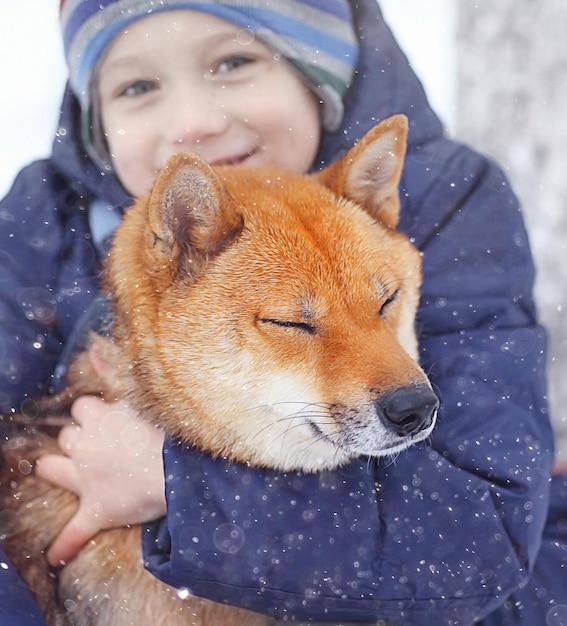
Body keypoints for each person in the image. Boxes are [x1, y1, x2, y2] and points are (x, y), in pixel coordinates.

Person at [0, 1, 564, 624]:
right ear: (96, 119)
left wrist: (177, 485)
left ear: (316, 71)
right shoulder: (42, 225)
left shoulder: (443, 199)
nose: (194, 122)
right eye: (138, 85)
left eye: (233, 62)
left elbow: (482, 540)